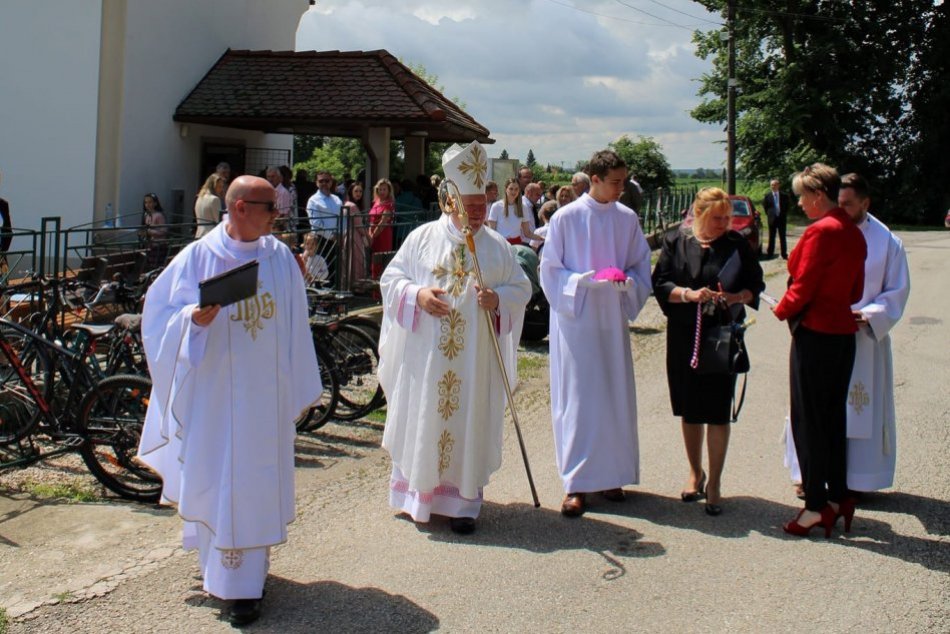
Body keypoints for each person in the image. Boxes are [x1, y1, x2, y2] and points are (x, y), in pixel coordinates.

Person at [137, 175, 321, 625]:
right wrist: (192, 320)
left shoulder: (279, 258)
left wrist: (295, 384)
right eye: (270, 207)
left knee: (255, 484)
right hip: (216, 401)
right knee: (218, 480)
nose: (278, 215)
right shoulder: (198, 256)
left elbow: (296, 322)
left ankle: (248, 584)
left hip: (265, 400)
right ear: (240, 207)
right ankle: (221, 577)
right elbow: (157, 316)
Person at [378, 141, 531, 535]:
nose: (478, 213)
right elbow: (391, 279)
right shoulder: (422, 238)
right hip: (427, 359)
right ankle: (418, 499)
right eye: (470, 205)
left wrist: (498, 298)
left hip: (474, 361)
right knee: (425, 416)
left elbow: (522, 287)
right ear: (450, 201)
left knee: (468, 420)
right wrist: (417, 295)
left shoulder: (496, 247)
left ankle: (463, 505)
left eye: (482, 205)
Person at [540, 150, 652, 517]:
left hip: (611, 320)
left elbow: (640, 264)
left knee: (613, 395)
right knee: (579, 399)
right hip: (577, 322)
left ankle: (610, 475)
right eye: (615, 182)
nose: (621, 189)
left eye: (623, 181)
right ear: (595, 179)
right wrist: (578, 282)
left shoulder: (626, 218)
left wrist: (628, 282)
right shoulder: (566, 218)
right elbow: (550, 270)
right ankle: (576, 483)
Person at [783, 173, 910, 495]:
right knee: (821, 409)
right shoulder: (830, 230)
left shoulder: (887, 242)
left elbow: (896, 290)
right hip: (827, 331)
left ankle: (858, 479)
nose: (841, 209)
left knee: (841, 408)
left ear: (865, 203)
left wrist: (869, 314)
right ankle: (815, 479)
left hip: (865, 338)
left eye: (848, 204)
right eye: (838, 202)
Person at [651, 187, 764, 516]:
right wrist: (688, 295)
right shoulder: (676, 240)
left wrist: (734, 297)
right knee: (690, 408)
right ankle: (695, 472)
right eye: (717, 218)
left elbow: (755, 285)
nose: (724, 224)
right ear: (698, 214)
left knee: (716, 410)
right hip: (684, 334)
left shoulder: (736, 244)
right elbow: (660, 284)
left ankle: (714, 482)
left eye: (727, 217)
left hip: (720, 337)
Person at [772, 163, 866, 537]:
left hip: (815, 334)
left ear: (818, 195)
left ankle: (814, 505)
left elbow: (803, 286)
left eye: (802, 196)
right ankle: (839, 495)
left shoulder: (820, 231)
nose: (799, 203)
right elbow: (856, 291)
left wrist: (780, 309)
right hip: (843, 335)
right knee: (833, 418)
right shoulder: (853, 231)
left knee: (808, 421)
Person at [306, 170, 344, 284]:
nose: (324, 183)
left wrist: (341, 233)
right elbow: (316, 223)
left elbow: (343, 218)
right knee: (321, 273)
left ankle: (335, 292)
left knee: (335, 271)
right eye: (321, 181)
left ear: (331, 182)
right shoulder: (313, 200)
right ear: (316, 183)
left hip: (336, 239)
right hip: (320, 241)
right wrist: (331, 236)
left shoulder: (337, 199)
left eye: (327, 181)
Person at [487, 178, 543, 245]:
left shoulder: (523, 207)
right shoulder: (496, 206)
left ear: (519, 190)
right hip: (500, 244)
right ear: (506, 189)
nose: (513, 192)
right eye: (511, 189)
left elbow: (527, 233)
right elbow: (491, 231)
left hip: (516, 245)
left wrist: (543, 238)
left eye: (516, 189)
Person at [368, 178, 396, 279]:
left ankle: (380, 283)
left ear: (389, 190)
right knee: (374, 259)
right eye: (380, 189)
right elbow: (371, 219)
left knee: (381, 259)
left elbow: (383, 222)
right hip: (373, 234)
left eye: (384, 189)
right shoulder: (376, 201)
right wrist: (369, 234)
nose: (382, 192)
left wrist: (372, 235)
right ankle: (374, 280)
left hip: (382, 234)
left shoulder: (389, 204)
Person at [343, 180, 370, 285]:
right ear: (351, 192)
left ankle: (351, 284)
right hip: (354, 236)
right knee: (356, 260)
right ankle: (356, 285)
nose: (358, 193)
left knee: (351, 260)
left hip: (350, 235)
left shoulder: (347, 204)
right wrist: (368, 236)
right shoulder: (352, 206)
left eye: (360, 191)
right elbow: (359, 225)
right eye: (356, 191)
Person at [762, 178, 790, 259]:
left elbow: (787, 206)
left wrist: (783, 213)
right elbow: (765, 207)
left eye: (775, 185)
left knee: (782, 236)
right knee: (771, 236)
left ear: (778, 185)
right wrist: (770, 214)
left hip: (781, 218)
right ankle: (770, 253)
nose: (773, 186)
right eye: (772, 185)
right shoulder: (767, 196)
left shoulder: (784, 196)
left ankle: (784, 254)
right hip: (772, 219)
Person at [141, 193, 168, 269]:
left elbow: (164, 231)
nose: (147, 205)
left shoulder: (159, 215)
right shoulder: (146, 215)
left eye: (150, 202)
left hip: (159, 246)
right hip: (150, 245)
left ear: (155, 203)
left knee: (156, 266)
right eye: (146, 202)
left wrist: (150, 232)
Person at [195, 174, 226, 238]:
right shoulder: (215, 199)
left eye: (222, 187)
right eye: (219, 187)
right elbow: (218, 220)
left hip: (199, 234)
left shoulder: (199, 197)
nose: (221, 189)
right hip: (210, 235)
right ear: (213, 186)